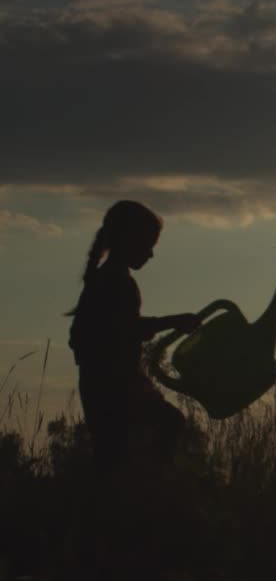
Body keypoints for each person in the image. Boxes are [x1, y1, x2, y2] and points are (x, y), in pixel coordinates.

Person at [68, 200, 202, 476]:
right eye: (147, 244)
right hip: (115, 385)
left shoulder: (103, 280)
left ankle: (139, 492)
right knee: (166, 426)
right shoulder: (116, 282)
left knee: (111, 459)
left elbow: (82, 336)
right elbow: (125, 328)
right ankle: (153, 487)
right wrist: (174, 321)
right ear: (128, 240)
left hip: (101, 383)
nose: (151, 254)